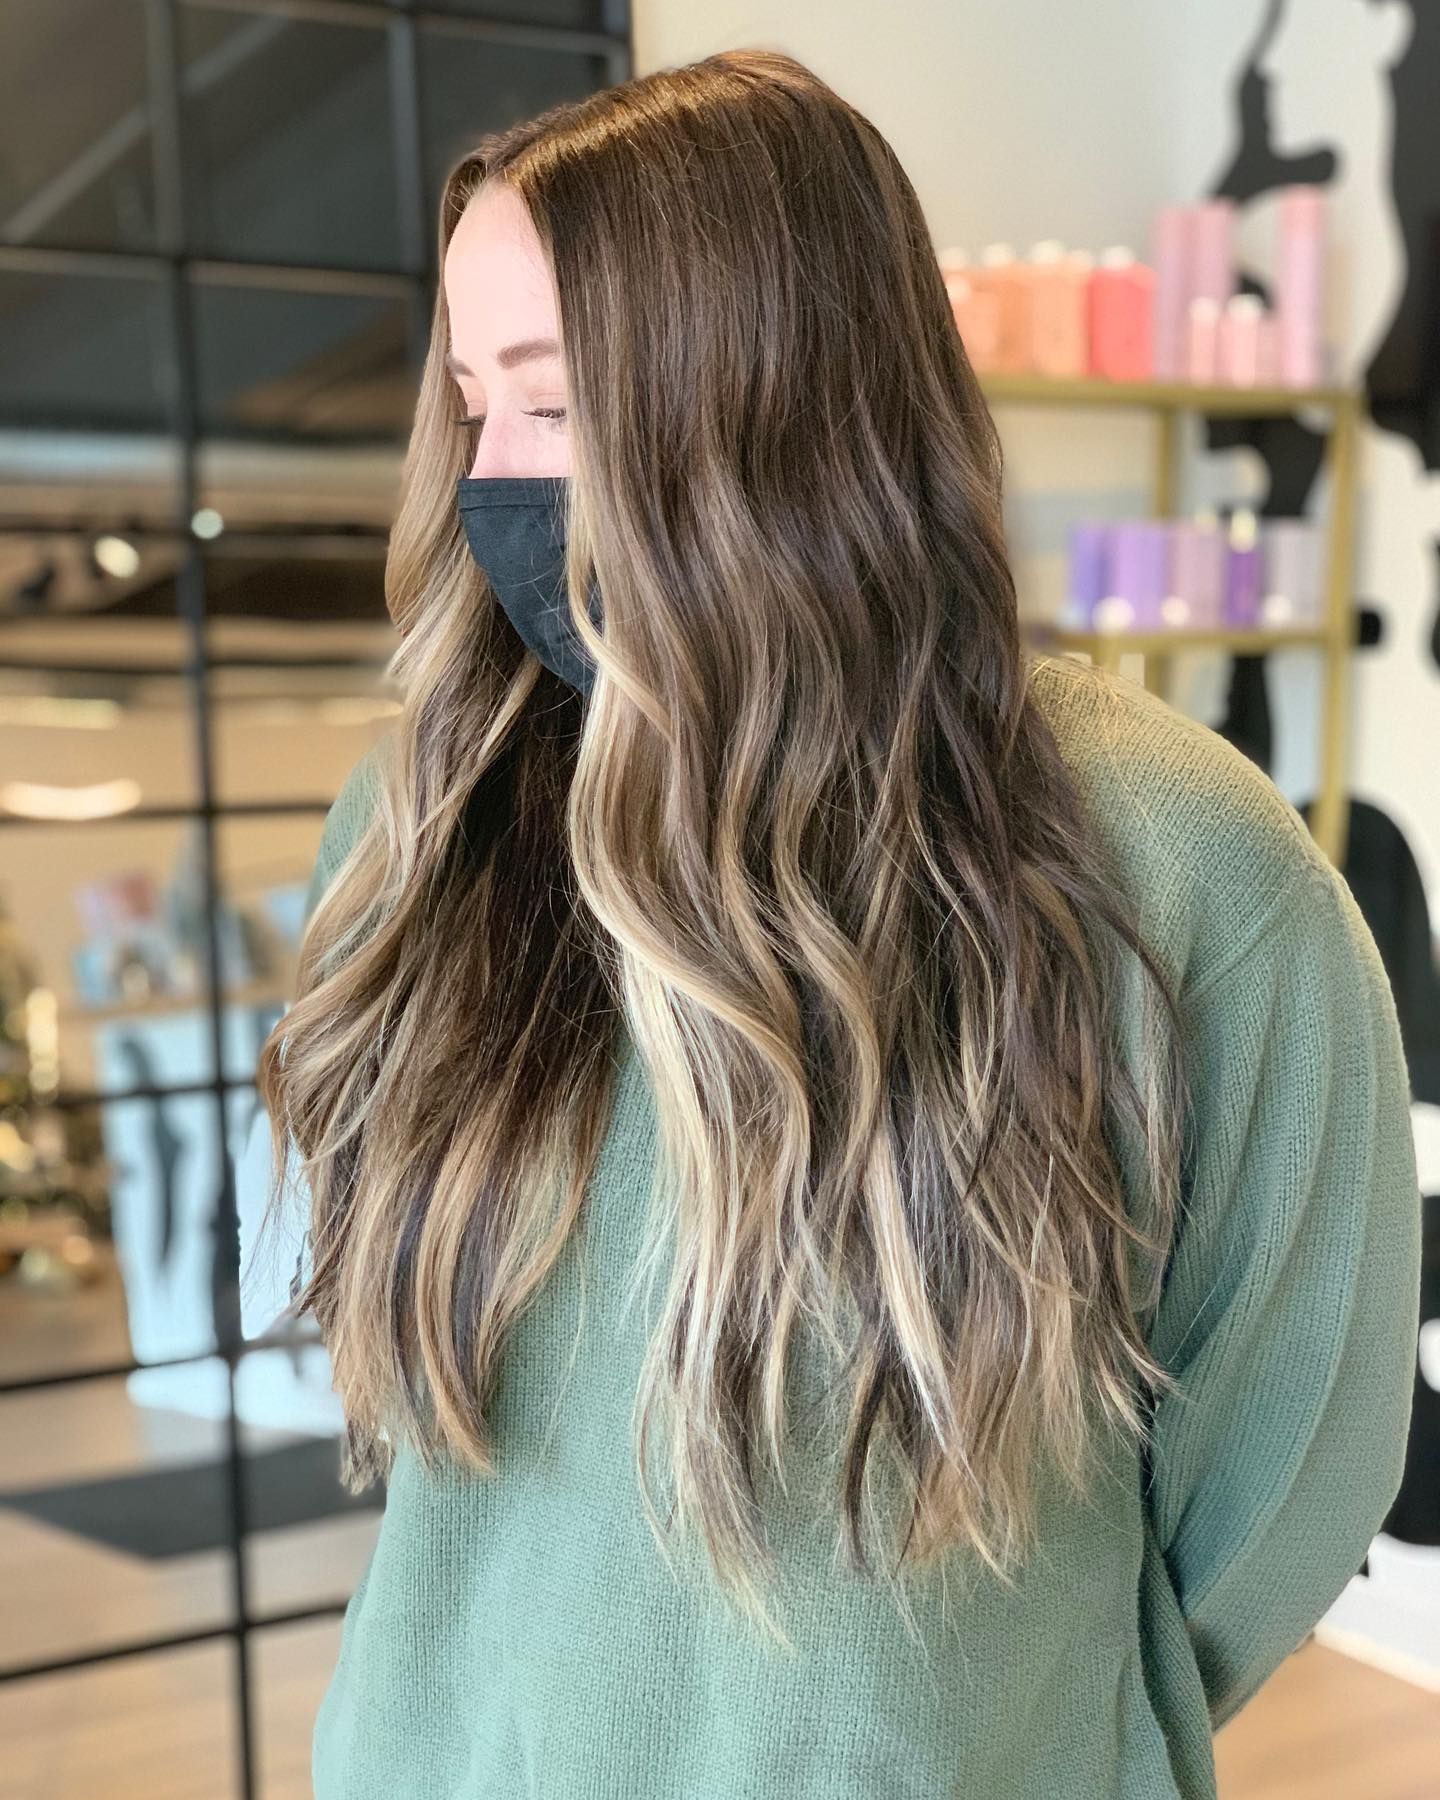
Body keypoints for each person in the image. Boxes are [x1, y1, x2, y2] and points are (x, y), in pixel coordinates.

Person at [255, 48, 1422, 1800]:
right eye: (478, 406)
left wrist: (996, 1715)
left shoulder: (1174, 869)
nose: (501, 476)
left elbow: (1284, 1462)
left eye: (559, 407)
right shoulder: (433, 823)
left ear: (776, 404)